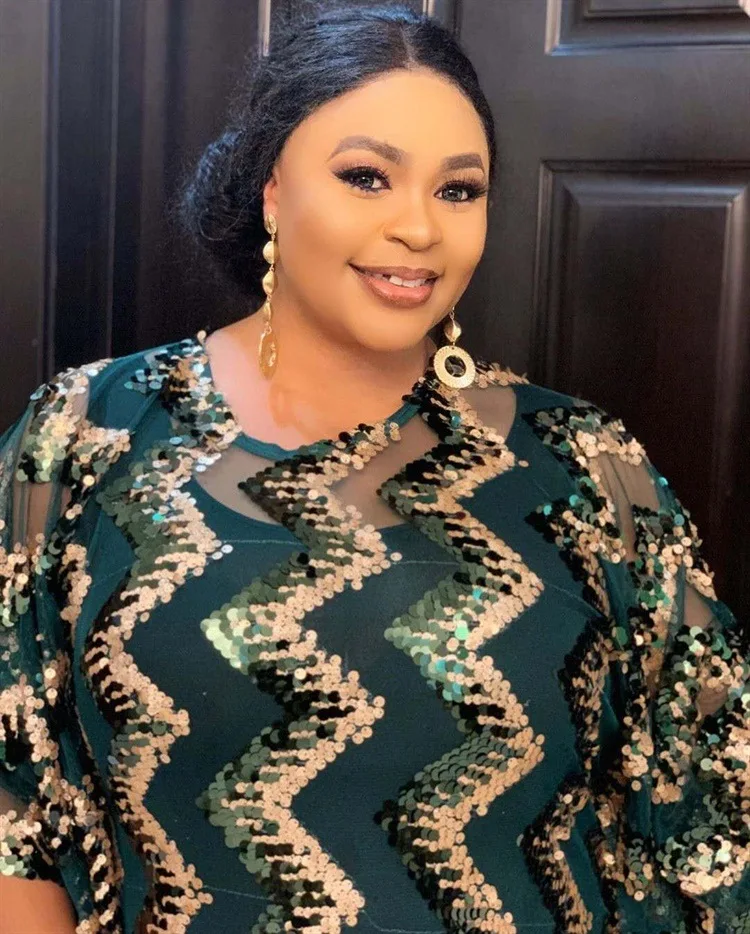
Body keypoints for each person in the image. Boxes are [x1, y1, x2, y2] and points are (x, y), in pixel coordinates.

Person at [1, 4, 748, 932]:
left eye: (458, 190)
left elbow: (717, 808)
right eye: (366, 177)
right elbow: (15, 807)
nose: (420, 228)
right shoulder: (86, 435)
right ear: (272, 190)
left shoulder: (586, 469)